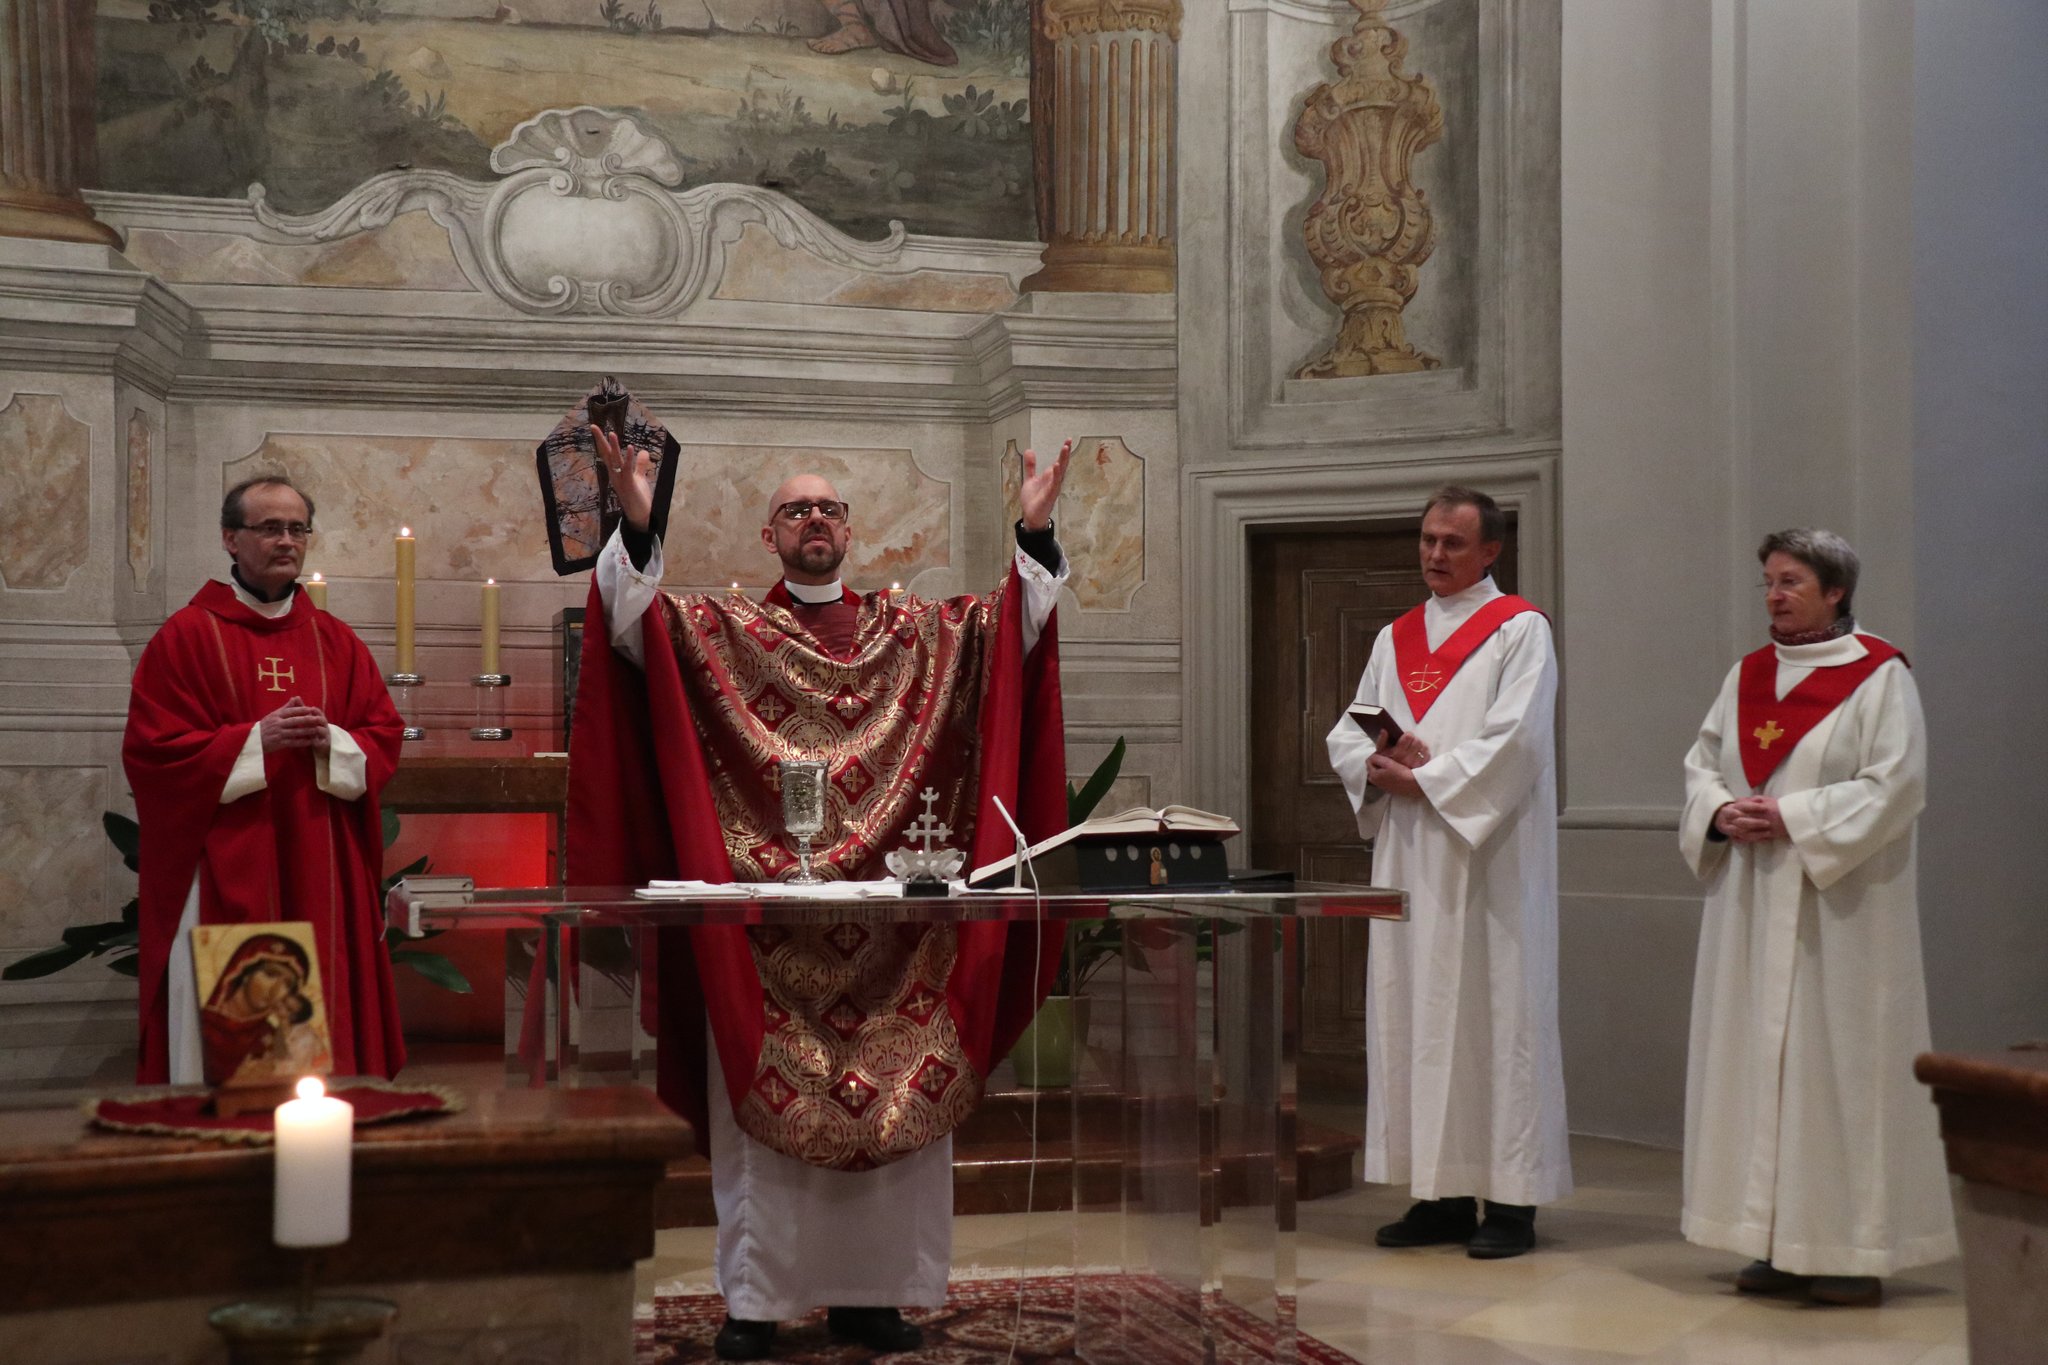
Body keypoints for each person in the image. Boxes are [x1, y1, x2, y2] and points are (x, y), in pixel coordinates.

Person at [569, 427, 1073, 1360]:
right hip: (771, 934)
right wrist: (638, 527)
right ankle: (756, 1302)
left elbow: (1015, 635)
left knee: (903, 1122)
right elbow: (631, 620)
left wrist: (1034, 536)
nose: (815, 520)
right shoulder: (724, 632)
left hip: (898, 934)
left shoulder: (916, 631)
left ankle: (877, 1297)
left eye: (829, 508)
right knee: (762, 1126)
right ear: (770, 536)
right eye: (796, 509)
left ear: (850, 530)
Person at [1678, 529, 1956, 1306]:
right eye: (1767, 580)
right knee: (1757, 1067)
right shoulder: (1747, 675)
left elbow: (1897, 784)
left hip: (1840, 911)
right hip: (1751, 900)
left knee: (1837, 1073)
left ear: (1836, 590)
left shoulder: (1879, 675)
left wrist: (1793, 815)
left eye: (1790, 581)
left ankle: (1846, 1247)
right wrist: (1720, 807)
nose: (1773, 595)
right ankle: (1771, 1238)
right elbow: (1701, 762)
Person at [1324, 486, 1572, 1259]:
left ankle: (1510, 1200)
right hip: (1410, 853)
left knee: (1499, 1014)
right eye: (1427, 539)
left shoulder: (1520, 630)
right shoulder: (1396, 636)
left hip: (1489, 855)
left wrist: (1430, 778)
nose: (1435, 554)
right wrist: (1375, 759)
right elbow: (1352, 724)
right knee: (1419, 1018)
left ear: (1491, 551)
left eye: (1453, 543)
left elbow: (1519, 741)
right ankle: (1438, 1191)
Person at [123, 476, 406, 1085]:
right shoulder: (186, 638)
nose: (287, 541)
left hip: (320, 857)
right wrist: (254, 741)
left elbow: (382, 738)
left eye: (298, 529)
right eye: (270, 528)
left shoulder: (338, 643)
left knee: (324, 1005)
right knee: (235, 1040)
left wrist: (331, 740)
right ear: (230, 539)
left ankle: (328, 1125)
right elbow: (154, 753)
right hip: (228, 859)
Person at [199, 932, 331, 1085]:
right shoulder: (203, 1024)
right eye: (271, 974)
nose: (277, 989)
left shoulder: (274, 1038)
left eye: (287, 984)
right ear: (244, 971)